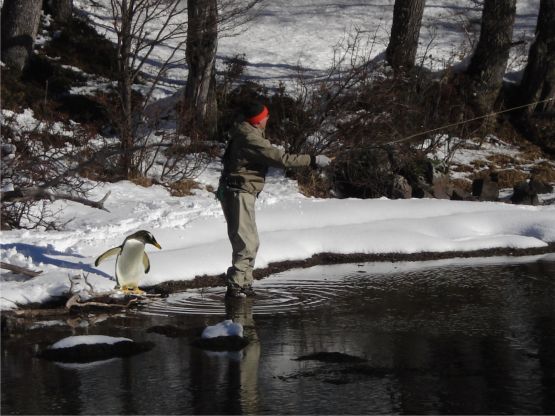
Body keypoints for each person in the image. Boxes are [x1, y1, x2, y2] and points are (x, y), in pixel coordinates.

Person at [217, 101, 332, 298]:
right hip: (238, 193)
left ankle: (244, 285)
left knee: (251, 242)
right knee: (245, 243)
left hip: (241, 192)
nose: (268, 119)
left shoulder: (248, 133)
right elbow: (281, 159)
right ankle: (236, 289)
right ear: (258, 120)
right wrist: (313, 161)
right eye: (266, 116)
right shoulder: (249, 138)